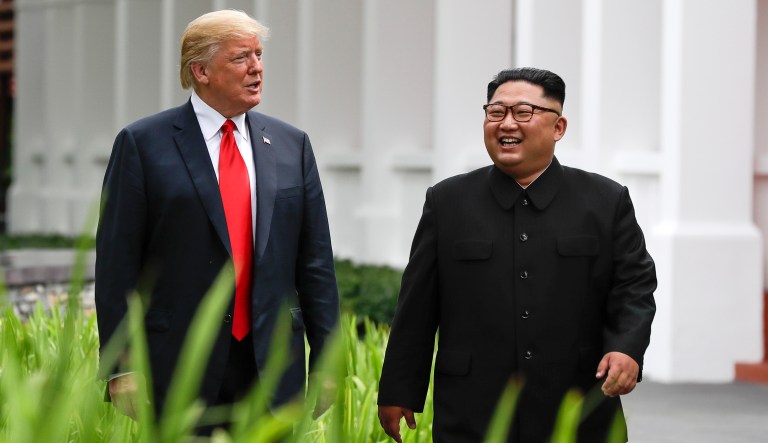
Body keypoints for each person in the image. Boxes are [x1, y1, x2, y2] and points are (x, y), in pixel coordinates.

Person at [377, 67, 656, 443]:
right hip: (472, 408)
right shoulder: (447, 203)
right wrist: (398, 390)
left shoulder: (605, 201)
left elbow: (634, 286)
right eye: (496, 112)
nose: (507, 123)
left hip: (576, 404)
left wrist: (626, 349)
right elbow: (418, 305)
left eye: (523, 113)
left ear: (559, 127)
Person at [95, 9, 339, 430]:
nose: (257, 68)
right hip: (180, 367)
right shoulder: (142, 144)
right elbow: (117, 264)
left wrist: (327, 360)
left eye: (259, 55)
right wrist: (121, 366)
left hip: (273, 367)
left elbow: (315, 263)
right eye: (241, 57)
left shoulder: (291, 145)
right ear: (201, 70)